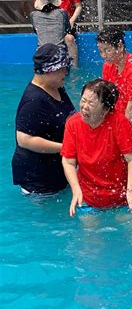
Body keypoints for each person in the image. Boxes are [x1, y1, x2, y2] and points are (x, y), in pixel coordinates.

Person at [61, 79, 132, 217]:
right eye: (83, 100)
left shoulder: (120, 123)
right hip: (87, 197)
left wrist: (130, 192)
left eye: (91, 103)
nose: (84, 107)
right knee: (90, 236)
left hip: (122, 197)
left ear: (106, 109)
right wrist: (76, 190)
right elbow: (68, 161)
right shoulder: (72, 124)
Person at [11, 43, 74, 195]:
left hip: (56, 170)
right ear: (47, 71)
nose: (66, 72)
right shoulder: (34, 100)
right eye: (62, 69)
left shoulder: (57, 86)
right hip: (38, 180)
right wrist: (66, 148)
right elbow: (24, 140)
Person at [35, 0, 82, 67]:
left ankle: (75, 68)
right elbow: (38, 7)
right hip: (49, 23)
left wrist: (71, 20)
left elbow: (78, 6)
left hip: (68, 21)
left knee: (69, 38)